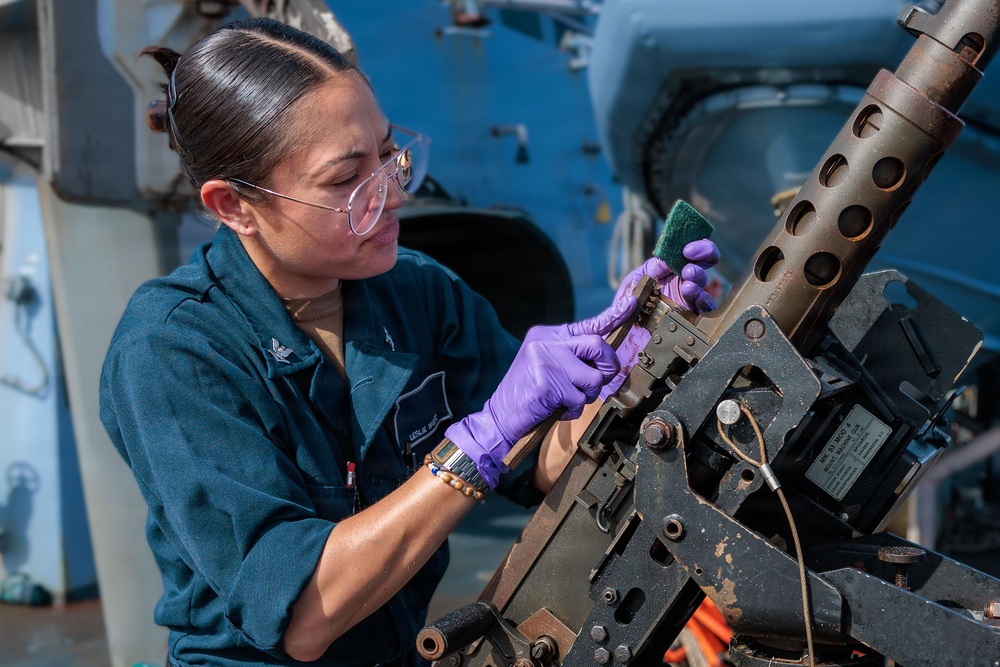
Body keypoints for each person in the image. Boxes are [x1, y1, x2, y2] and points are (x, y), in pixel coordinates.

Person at [99, 17, 719, 667]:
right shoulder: (172, 349)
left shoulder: (416, 291)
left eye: (390, 155)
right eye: (346, 180)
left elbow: (541, 462)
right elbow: (306, 615)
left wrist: (636, 354)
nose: (393, 193)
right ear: (233, 206)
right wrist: (480, 440)